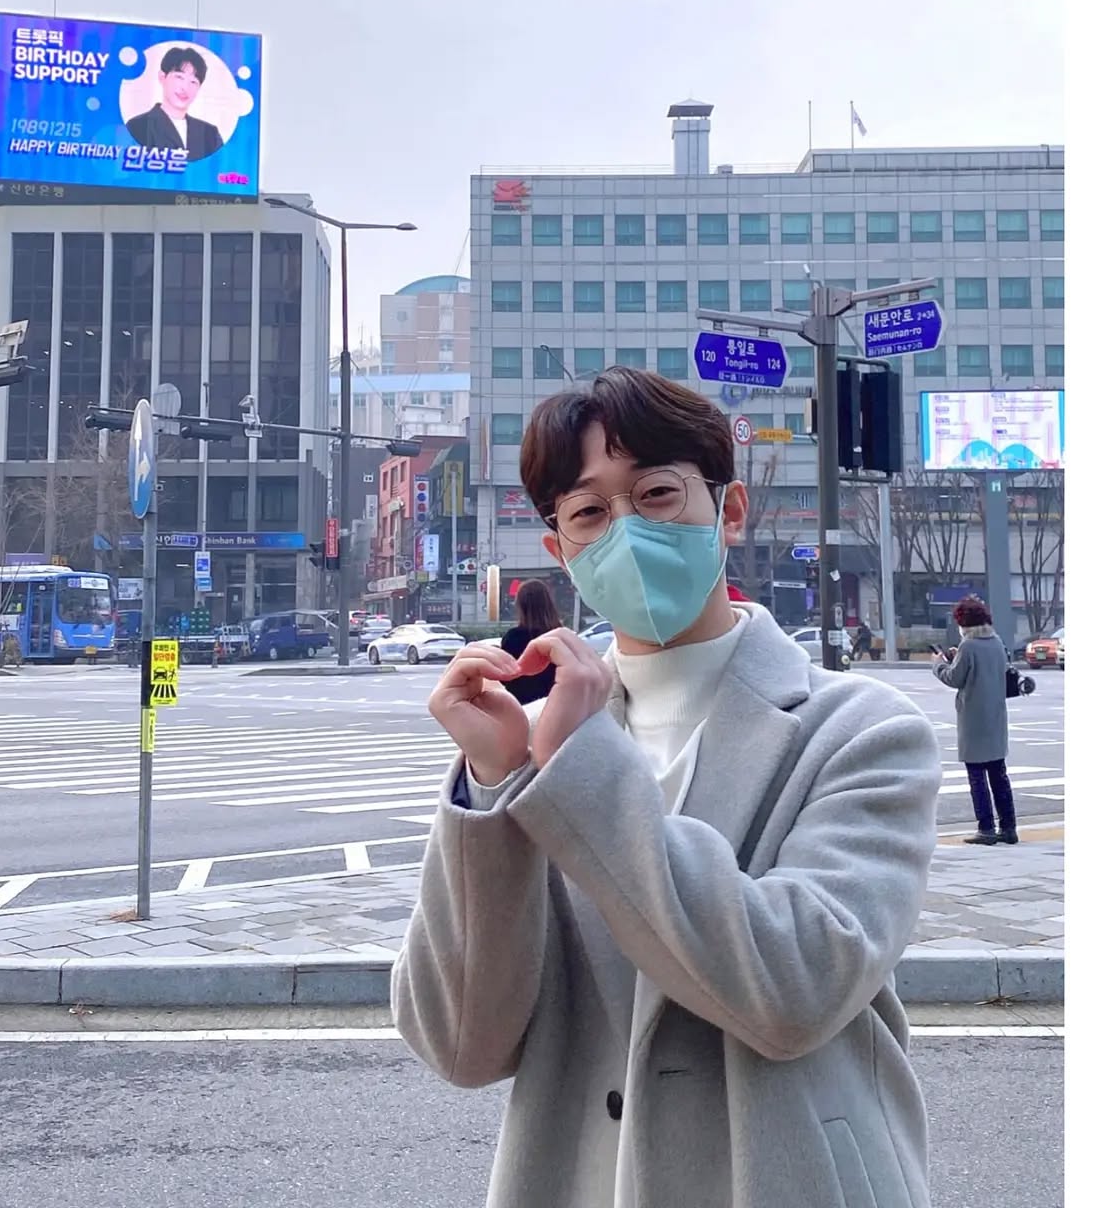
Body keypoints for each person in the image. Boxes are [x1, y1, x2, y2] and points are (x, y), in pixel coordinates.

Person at [392, 366, 941, 1208]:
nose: (628, 532)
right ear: (561, 550)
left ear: (728, 509)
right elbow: (462, 1046)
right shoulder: (539, 744)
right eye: (589, 513)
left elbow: (796, 989)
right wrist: (493, 786)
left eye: (655, 494)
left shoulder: (863, 730)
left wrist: (579, 772)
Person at [932, 595, 1017, 846]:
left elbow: (954, 678)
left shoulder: (968, 646)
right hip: (996, 717)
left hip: (973, 719)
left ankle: (986, 828)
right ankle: (1009, 828)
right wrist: (958, 656)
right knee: (999, 774)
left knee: (977, 775)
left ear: (963, 624)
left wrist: (938, 665)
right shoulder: (996, 642)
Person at [124, 45, 226, 162]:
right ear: (162, 77)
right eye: (179, 77)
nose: (185, 88)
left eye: (193, 82)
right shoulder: (138, 126)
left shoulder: (210, 134)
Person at [499, 580, 562, 705]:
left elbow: (505, 677)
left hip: (521, 707)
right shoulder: (560, 636)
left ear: (520, 606)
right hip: (555, 705)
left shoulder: (513, 638)